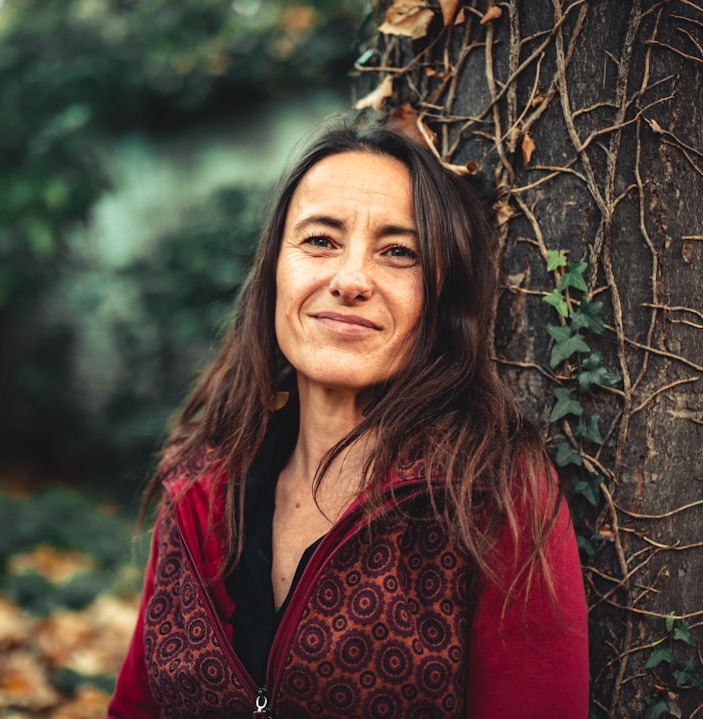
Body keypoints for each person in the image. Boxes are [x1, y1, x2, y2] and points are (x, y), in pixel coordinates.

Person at [108, 114, 589, 718]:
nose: (352, 280)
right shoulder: (198, 485)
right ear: (275, 273)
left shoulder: (494, 492)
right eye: (320, 240)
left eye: (397, 252)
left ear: (441, 299)